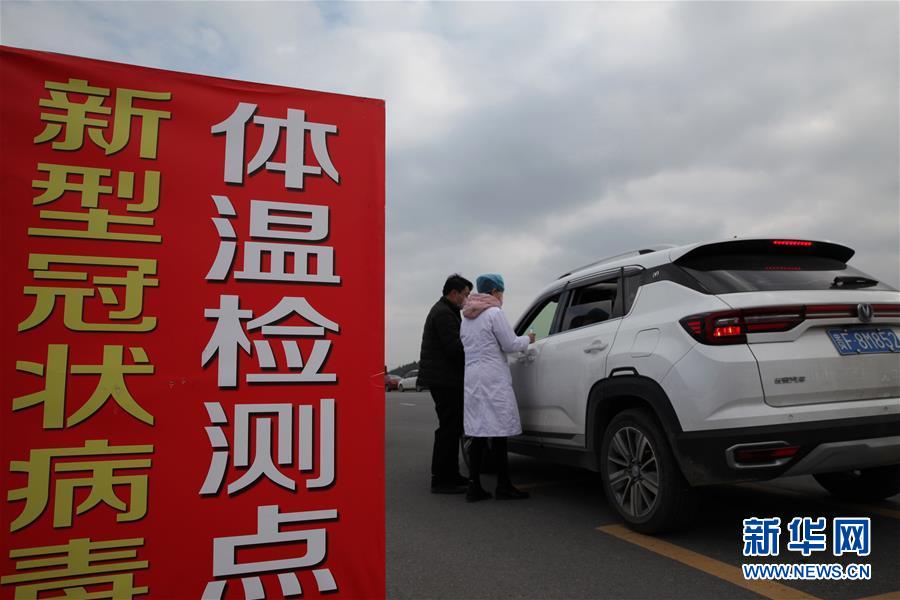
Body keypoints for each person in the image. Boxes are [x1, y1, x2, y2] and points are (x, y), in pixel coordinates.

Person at [460, 273, 535, 502]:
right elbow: (510, 344)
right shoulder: (494, 313)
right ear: (494, 291)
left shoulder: (466, 317)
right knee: (500, 431)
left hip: (473, 376)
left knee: (478, 431)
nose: (502, 296)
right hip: (492, 376)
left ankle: (474, 486)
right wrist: (528, 339)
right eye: (501, 291)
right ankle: (503, 485)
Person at [418, 273, 473, 493]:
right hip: (444, 380)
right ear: (454, 293)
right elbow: (454, 349)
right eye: (465, 295)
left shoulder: (447, 311)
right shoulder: (443, 314)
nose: (467, 299)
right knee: (449, 428)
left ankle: (451, 474)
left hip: (445, 378)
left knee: (452, 427)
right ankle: (441, 480)